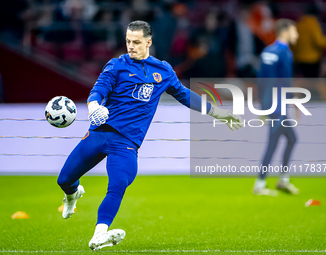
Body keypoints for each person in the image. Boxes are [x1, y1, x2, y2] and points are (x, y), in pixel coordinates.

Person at [57, 20, 242, 251]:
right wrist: (94, 106)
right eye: (127, 41)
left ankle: (99, 234)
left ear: (148, 42)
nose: (130, 46)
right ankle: (73, 194)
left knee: (118, 185)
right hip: (99, 134)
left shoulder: (163, 70)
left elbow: (184, 95)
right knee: (63, 179)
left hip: (126, 143)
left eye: (136, 42)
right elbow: (99, 89)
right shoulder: (116, 65)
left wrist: (217, 112)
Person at [253, 19, 299, 196]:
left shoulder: (267, 51)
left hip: (269, 102)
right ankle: (260, 183)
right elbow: (285, 81)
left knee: (292, 139)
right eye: (295, 31)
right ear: (286, 31)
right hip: (278, 104)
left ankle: (282, 180)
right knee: (273, 142)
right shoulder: (285, 52)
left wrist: (262, 104)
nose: (297, 35)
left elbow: (261, 79)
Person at [291, 5, 326, 78]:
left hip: (298, 58)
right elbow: (319, 42)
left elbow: (292, 42)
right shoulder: (313, 23)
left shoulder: (298, 23)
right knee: (312, 83)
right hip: (312, 60)